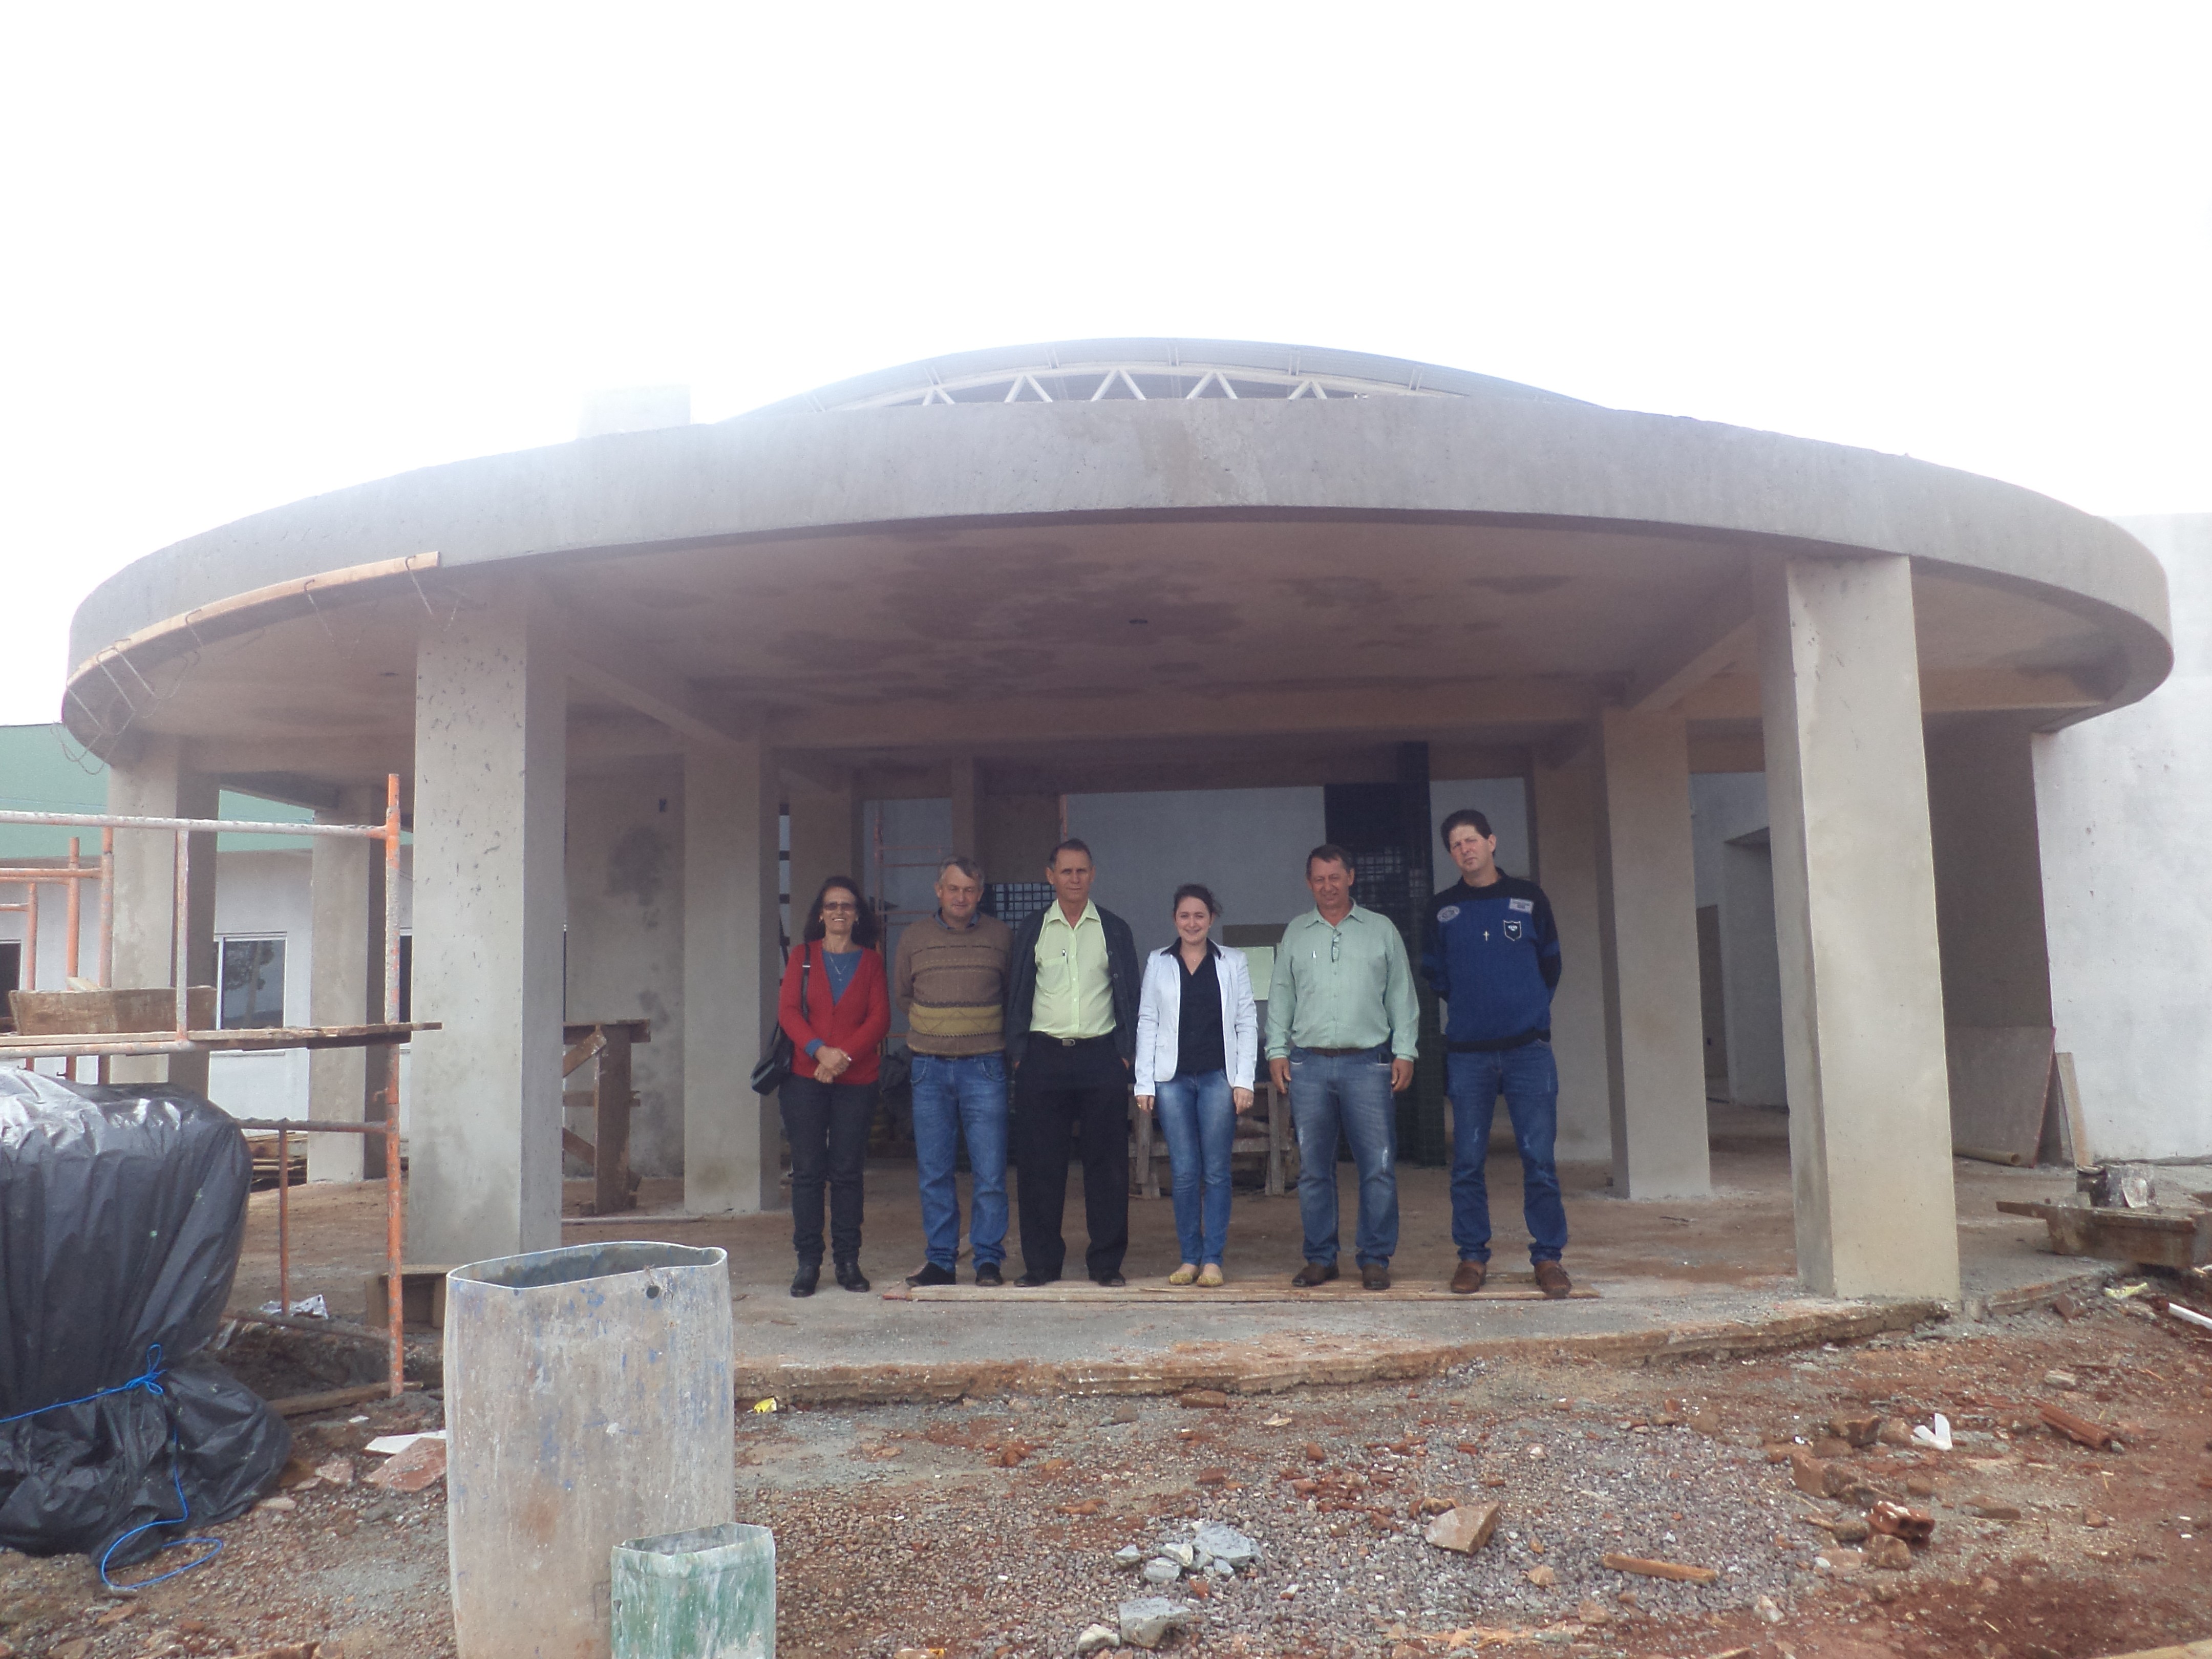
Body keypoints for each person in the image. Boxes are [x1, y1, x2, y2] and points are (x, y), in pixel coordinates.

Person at [1421, 809, 1571, 1298]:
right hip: (1469, 1054)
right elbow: (1436, 974)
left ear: (1491, 842)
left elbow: (1551, 964)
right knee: (1467, 1161)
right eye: (1456, 844)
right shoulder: (1442, 909)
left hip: (1529, 1051)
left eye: (1472, 840)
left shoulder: (1529, 898)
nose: (1465, 849)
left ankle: (1548, 1258)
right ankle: (1471, 1257)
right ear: (1451, 854)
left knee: (1539, 1159)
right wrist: (1478, 1006)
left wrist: (1523, 1009)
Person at [1266, 844, 1420, 1291]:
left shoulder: (1381, 930)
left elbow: (1401, 994)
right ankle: (1320, 1258)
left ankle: (1374, 1258)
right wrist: (1276, 1049)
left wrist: (1405, 1051)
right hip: (1309, 1064)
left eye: (1335, 877)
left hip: (1368, 1063)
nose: (1328, 886)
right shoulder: (1297, 932)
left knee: (1378, 1167)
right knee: (1314, 1169)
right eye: (1319, 879)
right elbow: (1281, 994)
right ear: (1308, 883)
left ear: (1351, 877)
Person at [1004, 839, 1140, 1286]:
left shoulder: (1114, 929)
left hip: (1102, 1056)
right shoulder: (1033, 929)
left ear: (1093, 874)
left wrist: (1125, 1054)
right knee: (1040, 1166)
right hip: (1042, 1057)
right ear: (1051, 876)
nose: (1075, 879)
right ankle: (1041, 1264)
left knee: (1108, 1166)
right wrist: (1019, 1055)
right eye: (1066, 871)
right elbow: (1016, 992)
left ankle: (1106, 1264)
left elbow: (1131, 994)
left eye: (1082, 871)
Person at [892, 856, 1015, 1288]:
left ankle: (988, 1260)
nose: (960, 897)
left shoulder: (1001, 937)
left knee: (990, 1172)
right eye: (953, 889)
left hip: (985, 1066)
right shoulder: (914, 937)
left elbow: (1012, 994)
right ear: (938, 891)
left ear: (979, 894)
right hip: (928, 1067)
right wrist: (937, 1028)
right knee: (935, 1172)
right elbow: (903, 994)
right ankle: (942, 1261)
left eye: (969, 890)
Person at [1133, 885, 1259, 1286]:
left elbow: (1246, 1021)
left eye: (1200, 916)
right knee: (1185, 1172)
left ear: (1212, 919)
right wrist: (1143, 1081)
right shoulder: (1158, 962)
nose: (1192, 923)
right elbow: (1148, 1021)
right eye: (1185, 916)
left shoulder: (1232, 961)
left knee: (1217, 1171)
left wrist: (1244, 1080)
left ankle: (1212, 1260)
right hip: (1172, 1081)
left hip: (1218, 1077)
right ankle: (1189, 1258)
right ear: (1175, 919)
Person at [778, 876, 891, 1298]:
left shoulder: (871, 962)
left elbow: (880, 1019)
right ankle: (808, 1262)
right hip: (804, 1080)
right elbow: (789, 1012)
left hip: (856, 1080)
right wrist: (820, 1052)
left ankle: (848, 1261)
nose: (839, 911)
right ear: (821, 914)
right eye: (832, 905)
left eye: (847, 905)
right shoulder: (803, 956)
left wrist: (842, 1058)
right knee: (808, 1173)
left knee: (847, 1173)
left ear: (857, 915)